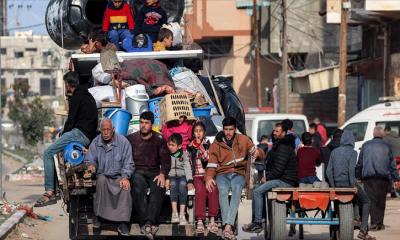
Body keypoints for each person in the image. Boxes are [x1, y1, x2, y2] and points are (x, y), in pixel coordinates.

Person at [34, 72, 98, 207]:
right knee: (58, 154)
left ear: (68, 85)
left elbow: (71, 120)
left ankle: (50, 191)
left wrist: (63, 135)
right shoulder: (87, 95)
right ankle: (55, 188)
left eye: (65, 84)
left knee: (48, 153)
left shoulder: (76, 97)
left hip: (78, 134)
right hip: (87, 136)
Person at [205, 117, 264, 240]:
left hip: (238, 173)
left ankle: (227, 225)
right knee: (222, 190)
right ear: (223, 129)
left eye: (230, 129)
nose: (228, 133)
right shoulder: (216, 143)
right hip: (222, 174)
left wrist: (258, 153)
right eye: (226, 129)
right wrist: (209, 177)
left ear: (235, 129)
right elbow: (211, 164)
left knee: (237, 188)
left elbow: (258, 153)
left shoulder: (244, 140)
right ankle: (228, 227)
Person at [242, 122, 297, 233]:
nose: (274, 133)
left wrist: (267, 177)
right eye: (274, 131)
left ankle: (257, 223)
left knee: (257, 191)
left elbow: (279, 169)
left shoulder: (284, 147)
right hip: (281, 178)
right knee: (257, 187)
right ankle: (259, 219)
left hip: (285, 181)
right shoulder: (279, 145)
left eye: (277, 131)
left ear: (284, 133)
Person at [84, 119, 134, 236]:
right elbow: (90, 159)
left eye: (108, 130)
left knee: (126, 188)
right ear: (100, 131)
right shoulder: (96, 142)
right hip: (104, 176)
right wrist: (91, 165)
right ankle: (98, 217)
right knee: (100, 181)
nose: (106, 132)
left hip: (119, 177)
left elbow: (129, 163)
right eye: (103, 130)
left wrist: (125, 177)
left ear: (113, 130)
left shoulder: (123, 142)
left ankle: (123, 223)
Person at [127, 111, 170, 239]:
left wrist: (162, 174)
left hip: (154, 171)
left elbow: (166, 160)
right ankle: (145, 222)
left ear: (152, 124)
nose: (143, 125)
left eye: (146, 123)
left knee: (159, 186)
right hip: (137, 171)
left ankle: (150, 222)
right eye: (141, 122)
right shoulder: (131, 139)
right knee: (138, 186)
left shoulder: (159, 139)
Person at [326, 130, 375, 240]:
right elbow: (350, 171)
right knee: (366, 201)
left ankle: (355, 218)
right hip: (348, 184)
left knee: (356, 198)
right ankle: (363, 229)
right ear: (352, 141)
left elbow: (329, 171)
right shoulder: (353, 152)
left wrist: (333, 186)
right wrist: (353, 186)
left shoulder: (334, 151)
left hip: (336, 185)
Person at [356, 127, 400, 231]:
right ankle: (378, 223)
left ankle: (375, 223)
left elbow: (360, 163)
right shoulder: (387, 146)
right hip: (383, 178)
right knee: (381, 201)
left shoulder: (365, 145)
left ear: (373, 133)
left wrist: (358, 176)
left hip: (369, 178)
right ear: (382, 134)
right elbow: (392, 164)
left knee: (371, 200)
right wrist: (396, 178)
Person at [187, 122, 219, 234]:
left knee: (212, 189)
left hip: (207, 175)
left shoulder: (208, 145)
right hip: (196, 175)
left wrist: (201, 148)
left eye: (200, 131)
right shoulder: (189, 147)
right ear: (193, 133)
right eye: (196, 131)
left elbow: (208, 159)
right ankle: (200, 220)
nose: (198, 133)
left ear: (204, 133)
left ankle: (212, 219)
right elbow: (188, 163)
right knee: (199, 191)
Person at [165, 133, 194, 225]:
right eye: (169, 144)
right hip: (171, 177)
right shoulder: (166, 154)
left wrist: (189, 181)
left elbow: (188, 168)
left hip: (182, 176)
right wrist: (167, 178)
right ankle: (174, 213)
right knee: (173, 185)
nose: (170, 147)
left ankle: (182, 213)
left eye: (173, 145)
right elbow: (164, 167)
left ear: (180, 146)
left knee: (182, 185)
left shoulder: (184, 155)